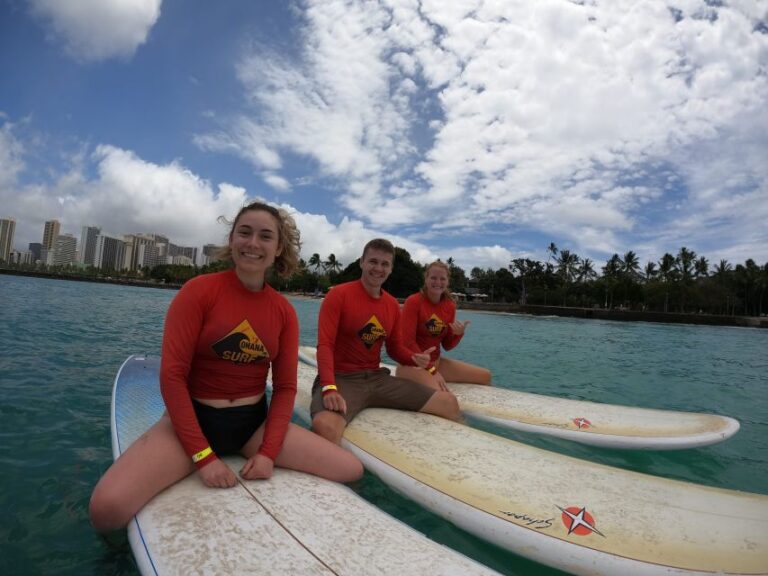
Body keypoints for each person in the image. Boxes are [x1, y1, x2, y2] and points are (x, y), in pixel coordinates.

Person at [90, 201, 362, 532]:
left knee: (350, 468)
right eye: (244, 233)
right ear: (232, 240)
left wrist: (267, 453)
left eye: (265, 236)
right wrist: (203, 459)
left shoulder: (283, 311)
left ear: (278, 249)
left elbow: (287, 387)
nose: (253, 243)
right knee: (106, 509)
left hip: (252, 425)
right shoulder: (198, 292)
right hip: (193, 419)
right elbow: (173, 377)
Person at [310, 239, 460, 445]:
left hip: (377, 379)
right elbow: (325, 345)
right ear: (362, 262)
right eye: (373, 261)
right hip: (342, 378)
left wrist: (414, 358)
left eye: (385, 264)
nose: (378, 268)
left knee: (449, 403)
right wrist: (329, 387)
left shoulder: (391, 304)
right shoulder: (338, 295)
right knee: (326, 426)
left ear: (390, 269)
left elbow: (395, 348)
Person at [396, 260, 491, 391]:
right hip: (412, 365)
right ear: (426, 279)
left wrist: (459, 334)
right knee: (443, 394)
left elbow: (447, 345)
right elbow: (408, 342)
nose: (438, 282)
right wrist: (432, 371)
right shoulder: (413, 302)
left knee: (485, 376)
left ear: (447, 282)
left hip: (436, 363)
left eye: (442, 279)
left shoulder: (449, 306)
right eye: (433, 278)